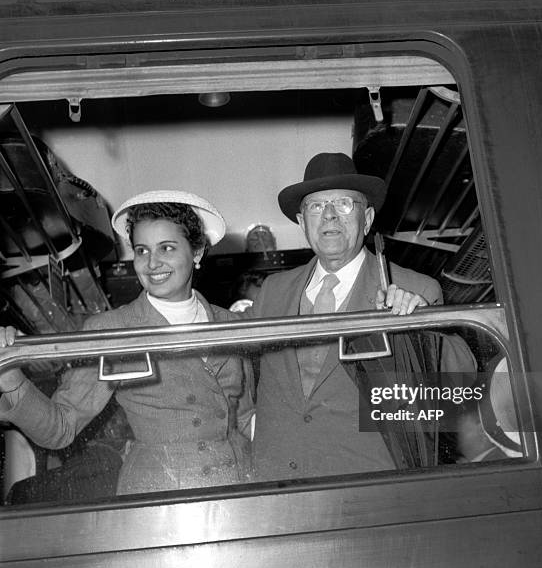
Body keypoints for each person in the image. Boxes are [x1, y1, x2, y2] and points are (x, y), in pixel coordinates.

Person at [0, 190, 254, 495]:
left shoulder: (232, 325)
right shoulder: (111, 330)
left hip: (237, 490)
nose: (152, 263)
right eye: (142, 250)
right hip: (157, 497)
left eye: (167, 248)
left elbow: (244, 417)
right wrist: (9, 375)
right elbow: (59, 429)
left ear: (197, 252)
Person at [246, 152, 475, 481]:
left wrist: (422, 326)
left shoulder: (415, 288)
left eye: (343, 204)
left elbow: (458, 396)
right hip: (277, 488)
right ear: (301, 222)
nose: (329, 216)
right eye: (316, 206)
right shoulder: (272, 291)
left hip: (369, 489)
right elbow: (229, 371)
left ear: (366, 219)